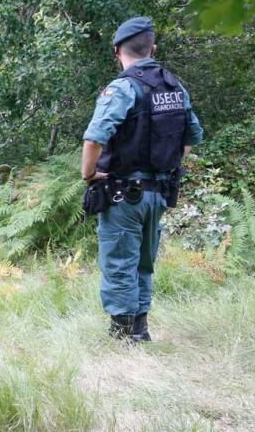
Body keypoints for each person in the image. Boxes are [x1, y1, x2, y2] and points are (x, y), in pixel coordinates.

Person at [81, 17, 203, 342]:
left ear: (117, 50)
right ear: (153, 48)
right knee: (144, 263)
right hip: (158, 193)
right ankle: (140, 330)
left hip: (123, 194)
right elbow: (191, 137)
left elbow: (94, 139)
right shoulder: (175, 88)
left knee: (120, 262)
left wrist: (89, 174)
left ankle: (123, 337)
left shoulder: (123, 88)